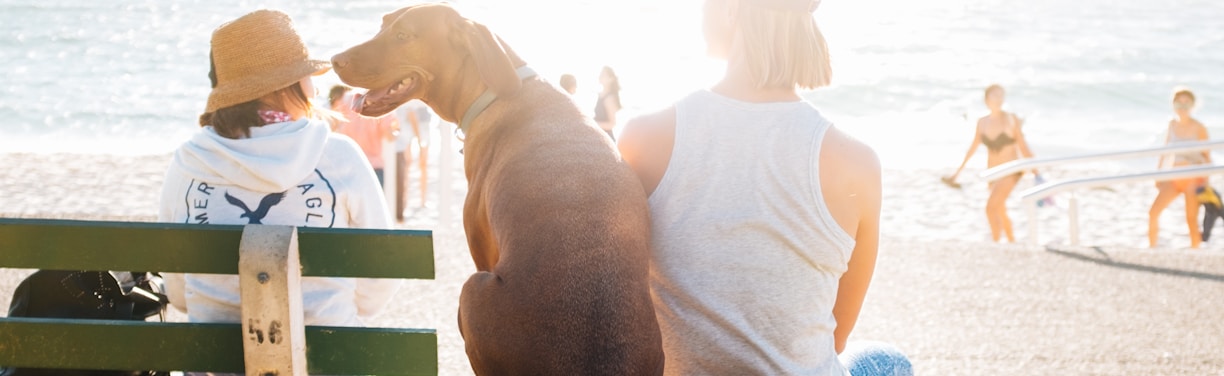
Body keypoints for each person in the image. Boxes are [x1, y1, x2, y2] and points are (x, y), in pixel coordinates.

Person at [617, 0, 911, 374]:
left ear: (732, 9)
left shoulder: (644, 137)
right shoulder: (857, 163)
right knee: (889, 361)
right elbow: (835, 338)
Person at [158, 10, 400, 331]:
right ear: (286, 86)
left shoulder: (189, 161)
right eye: (307, 76)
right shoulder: (339, 156)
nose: (314, 89)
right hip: (328, 357)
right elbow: (379, 276)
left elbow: (178, 290)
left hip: (212, 362)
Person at [943, 84, 1035, 243]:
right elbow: (972, 149)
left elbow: (1022, 145)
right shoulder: (982, 122)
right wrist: (957, 174)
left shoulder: (1011, 119)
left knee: (990, 208)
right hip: (992, 172)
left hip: (1011, 170)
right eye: (995, 95)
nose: (999, 99)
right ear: (986, 99)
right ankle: (1012, 242)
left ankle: (996, 244)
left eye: (1001, 95)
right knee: (999, 209)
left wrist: (1036, 170)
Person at [1149, 88, 1210, 248]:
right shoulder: (1172, 124)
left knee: (1191, 219)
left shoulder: (1199, 127)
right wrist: (1158, 174)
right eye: (1178, 102)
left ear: (1192, 105)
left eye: (1186, 103)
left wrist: (1205, 182)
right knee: (1153, 212)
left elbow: (1206, 157)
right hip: (1174, 176)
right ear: (1173, 104)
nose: (1182, 107)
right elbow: (1165, 151)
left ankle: (1195, 253)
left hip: (1192, 178)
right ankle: (1152, 250)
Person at [333, 87, 398, 187]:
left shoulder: (346, 99)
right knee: (375, 202)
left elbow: (334, 127)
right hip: (373, 167)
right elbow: (390, 136)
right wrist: (397, 131)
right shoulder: (382, 100)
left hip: (349, 165)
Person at [394, 99, 434, 219]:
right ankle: (410, 199)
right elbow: (410, 113)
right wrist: (419, 137)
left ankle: (420, 199)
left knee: (419, 165)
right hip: (411, 125)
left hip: (419, 124)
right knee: (409, 165)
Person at [594, 66, 621, 141]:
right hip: (599, 136)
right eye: (600, 74)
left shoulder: (609, 98)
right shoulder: (600, 95)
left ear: (611, 79)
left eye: (603, 75)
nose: (600, 76)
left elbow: (612, 124)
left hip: (606, 139)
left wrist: (594, 124)